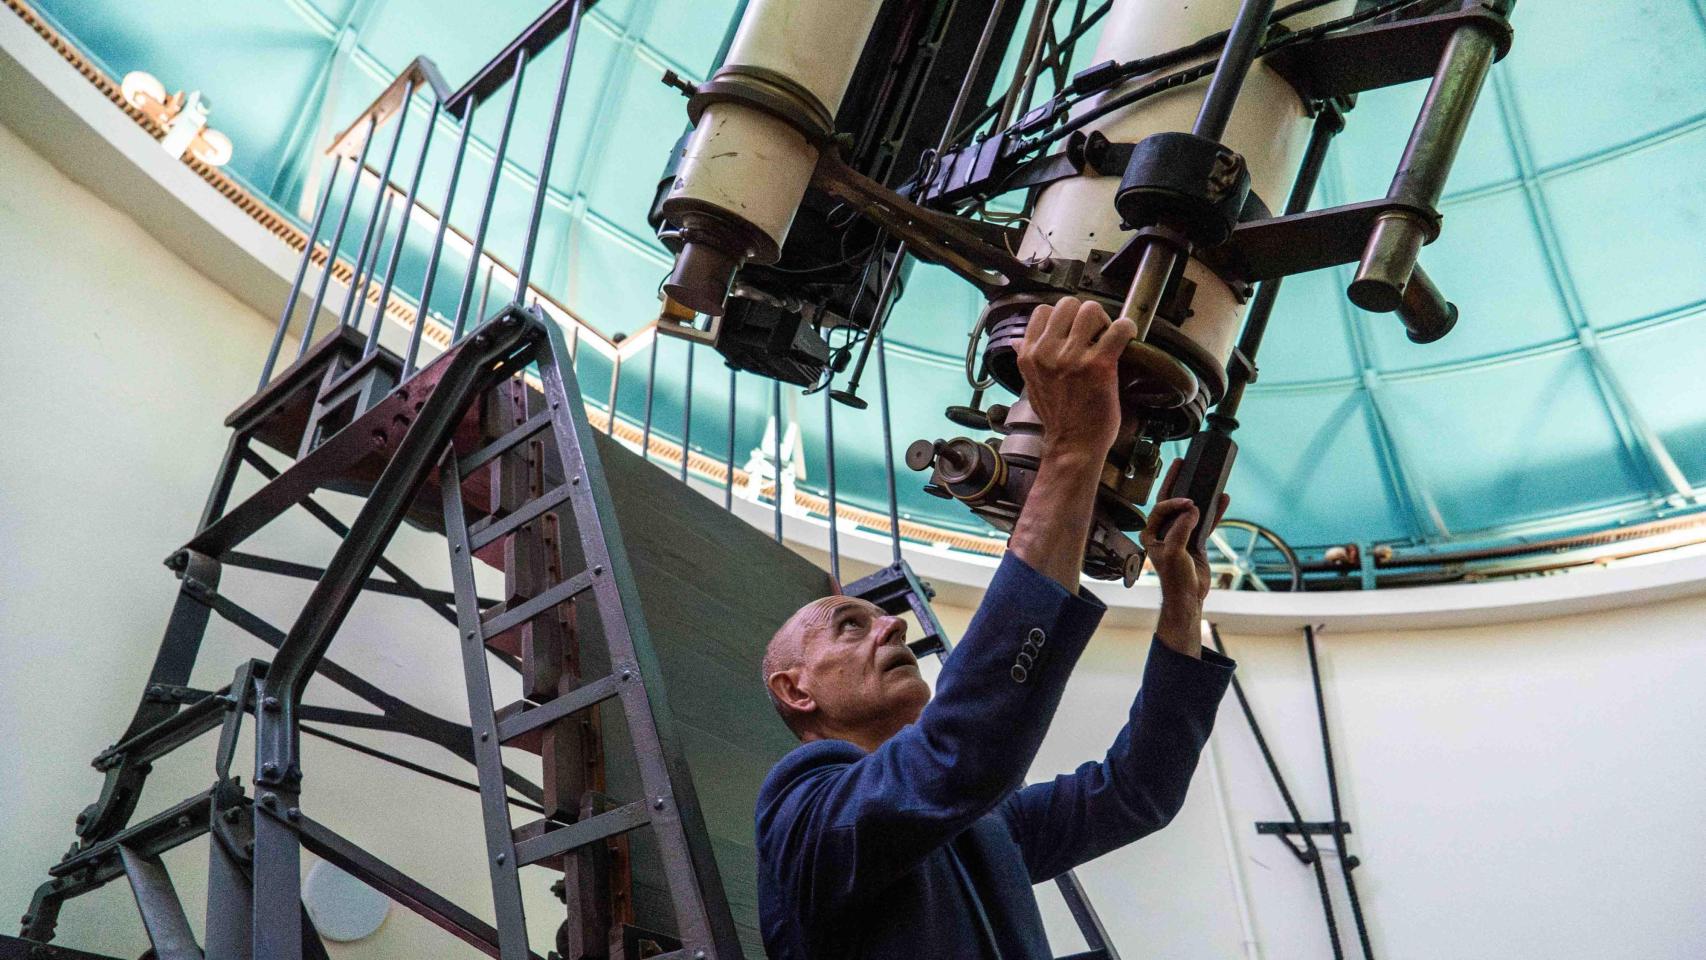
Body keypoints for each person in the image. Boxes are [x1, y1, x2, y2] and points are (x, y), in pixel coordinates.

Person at [755, 297, 1237, 960]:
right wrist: (1070, 457)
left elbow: (1138, 792)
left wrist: (1182, 601)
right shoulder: (802, 813)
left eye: (880, 616)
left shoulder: (983, 827)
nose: (892, 626)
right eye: (848, 625)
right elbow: (960, 754)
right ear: (795, 690)